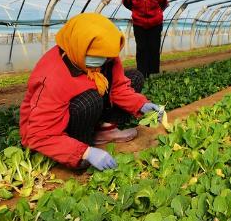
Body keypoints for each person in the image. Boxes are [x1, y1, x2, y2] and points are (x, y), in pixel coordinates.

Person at [19, 13, 164, 171]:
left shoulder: (106, 57)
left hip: (90, 109)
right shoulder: (52, 75)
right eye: (97, 57)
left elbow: (118, 88)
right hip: (60, 127)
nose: (102, 61)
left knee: (135, 77)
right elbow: (38, 134)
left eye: (107, 57)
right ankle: (82, 144)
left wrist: (142, 105)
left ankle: (105, 131)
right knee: (90, 100)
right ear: (79, 47)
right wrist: (86, 152)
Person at [122, 0, 168, 78]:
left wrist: (156, 13)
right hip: (139, 24)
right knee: (141, 48)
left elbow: (164, 3)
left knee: (154, 47)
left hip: (155, 24)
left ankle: (153, 73)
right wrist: (137, 12)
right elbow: (126, 3)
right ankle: (142, 74)